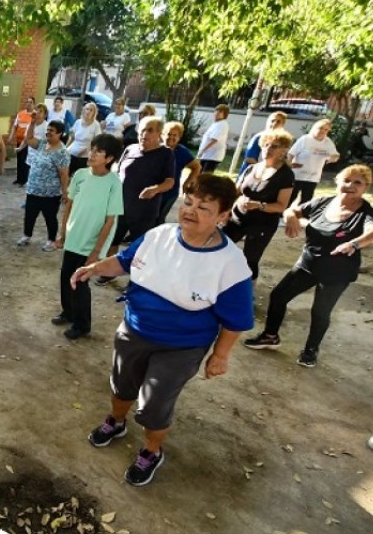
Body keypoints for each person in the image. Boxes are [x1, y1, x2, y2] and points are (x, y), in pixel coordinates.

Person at [74, 174, 254, 487]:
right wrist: (95, 268)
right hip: (134, 330)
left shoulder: (231, 264)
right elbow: (126, 261)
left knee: (154, 404)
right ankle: (116, 422)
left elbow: (236, 319)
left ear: (223, 216)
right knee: (121, 386)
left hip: (181, 347)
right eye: (189, 202)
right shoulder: (159, 235)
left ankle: (151, 451)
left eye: (204, 208)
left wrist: (220, 355)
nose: (191, 210)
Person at [244, 165, 373, 367]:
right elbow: (293, 210)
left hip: (337, 273)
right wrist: (290, 217)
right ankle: (270, 336)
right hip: (308, 264)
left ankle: (310, 350)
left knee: (320, 312)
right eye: (347, 180)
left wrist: (353, 244)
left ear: (365, 187)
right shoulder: (323, 202)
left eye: (357, 182)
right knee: (279, 296)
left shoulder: (366, 212)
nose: (350, 185)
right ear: (338, 182)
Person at [54, 134, 124, 340]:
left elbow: (110, 220)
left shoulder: (114, 183)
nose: (92, 153)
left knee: (80, 283)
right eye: (92, 149)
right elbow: (69, 204)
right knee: (66, 277)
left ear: (109, 158)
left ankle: (82, 325)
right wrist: (63, 233)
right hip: (73, 237)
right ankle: (68, 312)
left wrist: (96, 251)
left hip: (91, 243)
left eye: (98, 151)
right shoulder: (80, 175)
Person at [96, 116, 175, 285]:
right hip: (120, 206)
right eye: (143, 129)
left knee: (140, 247)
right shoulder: (130, 149)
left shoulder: (165, 153)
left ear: (159, 134)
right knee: (113, 240)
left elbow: (170, 182)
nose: (144, 134)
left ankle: (136, 281)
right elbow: (118, 174)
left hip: (144, 211)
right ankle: (110, 272)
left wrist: (155, 189)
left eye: (150, 130)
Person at [223, 129, 296, 279]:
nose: (268, 149)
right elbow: (236, 192)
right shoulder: (252, 168)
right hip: (237, 218)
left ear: (284, 150)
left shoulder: (286, 175)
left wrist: (260, 205)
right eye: (266, 145)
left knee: (250, 260)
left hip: (261, 225)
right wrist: (226, 210)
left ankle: (248, 293)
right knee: (219, 247)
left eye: (274, 146)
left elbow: (281, 205)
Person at [17, 120, 70, 251]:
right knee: (29, 215)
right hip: (33, 189)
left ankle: (51, 240)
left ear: (60, 134)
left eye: (51, 130)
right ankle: (27, 235)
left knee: (50, 218)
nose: (48, 132)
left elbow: (64, 174)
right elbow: (28, 138)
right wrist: (32, 122)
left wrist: (65, 192)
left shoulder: (62, 152)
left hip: (50, 193)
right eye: (48, 129)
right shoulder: (42, 144)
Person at [156, 122, 202, 225]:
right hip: (153, 190)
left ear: (179, 137)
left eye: (175, 135)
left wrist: (187, 183)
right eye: (168, 134)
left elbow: (197, 167)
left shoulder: (181, 151)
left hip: (169, 193)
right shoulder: (156, 147)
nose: (171, 137)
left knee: (159, 218)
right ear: (163, 134)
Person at [287, 118, 340, 206]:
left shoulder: (328, 142)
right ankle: (281, 215)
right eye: (320, 128)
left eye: (326, 129)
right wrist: (289, 165)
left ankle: (300, 216)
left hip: (313, 177)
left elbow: (335, 155)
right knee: (291, 197)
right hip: (298, 175)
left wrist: (333, 158)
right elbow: (291, 153)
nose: (322, 131)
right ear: (315, 128)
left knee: (306, 200)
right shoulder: (305, 139)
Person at [238, 112, 287, 180]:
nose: (274, 123)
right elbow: (249, 158)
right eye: (272, 120)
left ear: (283, 125)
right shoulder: (259, 137)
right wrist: (264, 170)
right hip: (250, 176)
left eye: (278, 121)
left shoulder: (283, 141)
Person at [67, 102, 101, 175]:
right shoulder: (78, 122)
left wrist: (88, 150)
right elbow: (72, 137)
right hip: (72, 153)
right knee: (67, 174)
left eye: (91, 110)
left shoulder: (96, 125)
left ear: (94, 112)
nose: (88, 111)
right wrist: (65, 148)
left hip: (85, 156)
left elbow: (97, 142)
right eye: (87, 109)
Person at [10, 96, 36, 186]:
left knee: (24, 160)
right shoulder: (20, 114)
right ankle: (19, 178)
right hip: (19, 140)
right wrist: (11, 136)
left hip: (27, 142)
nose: (28, 104)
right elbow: (15, 126)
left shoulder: (34, 115)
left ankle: (24, 180)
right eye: (27, 102)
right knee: (19, 160)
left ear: (34, 104)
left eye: (31, 102)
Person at [197, 104, 230, 173]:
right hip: (207, 155)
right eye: (216, 110)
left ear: (225, 114)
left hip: (213, 156)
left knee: (205, 176)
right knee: (198, 174)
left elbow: (214, 140)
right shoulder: (216, 123)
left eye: (220, 111)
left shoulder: (222, 124)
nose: (217, 113)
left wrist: (203, 150)